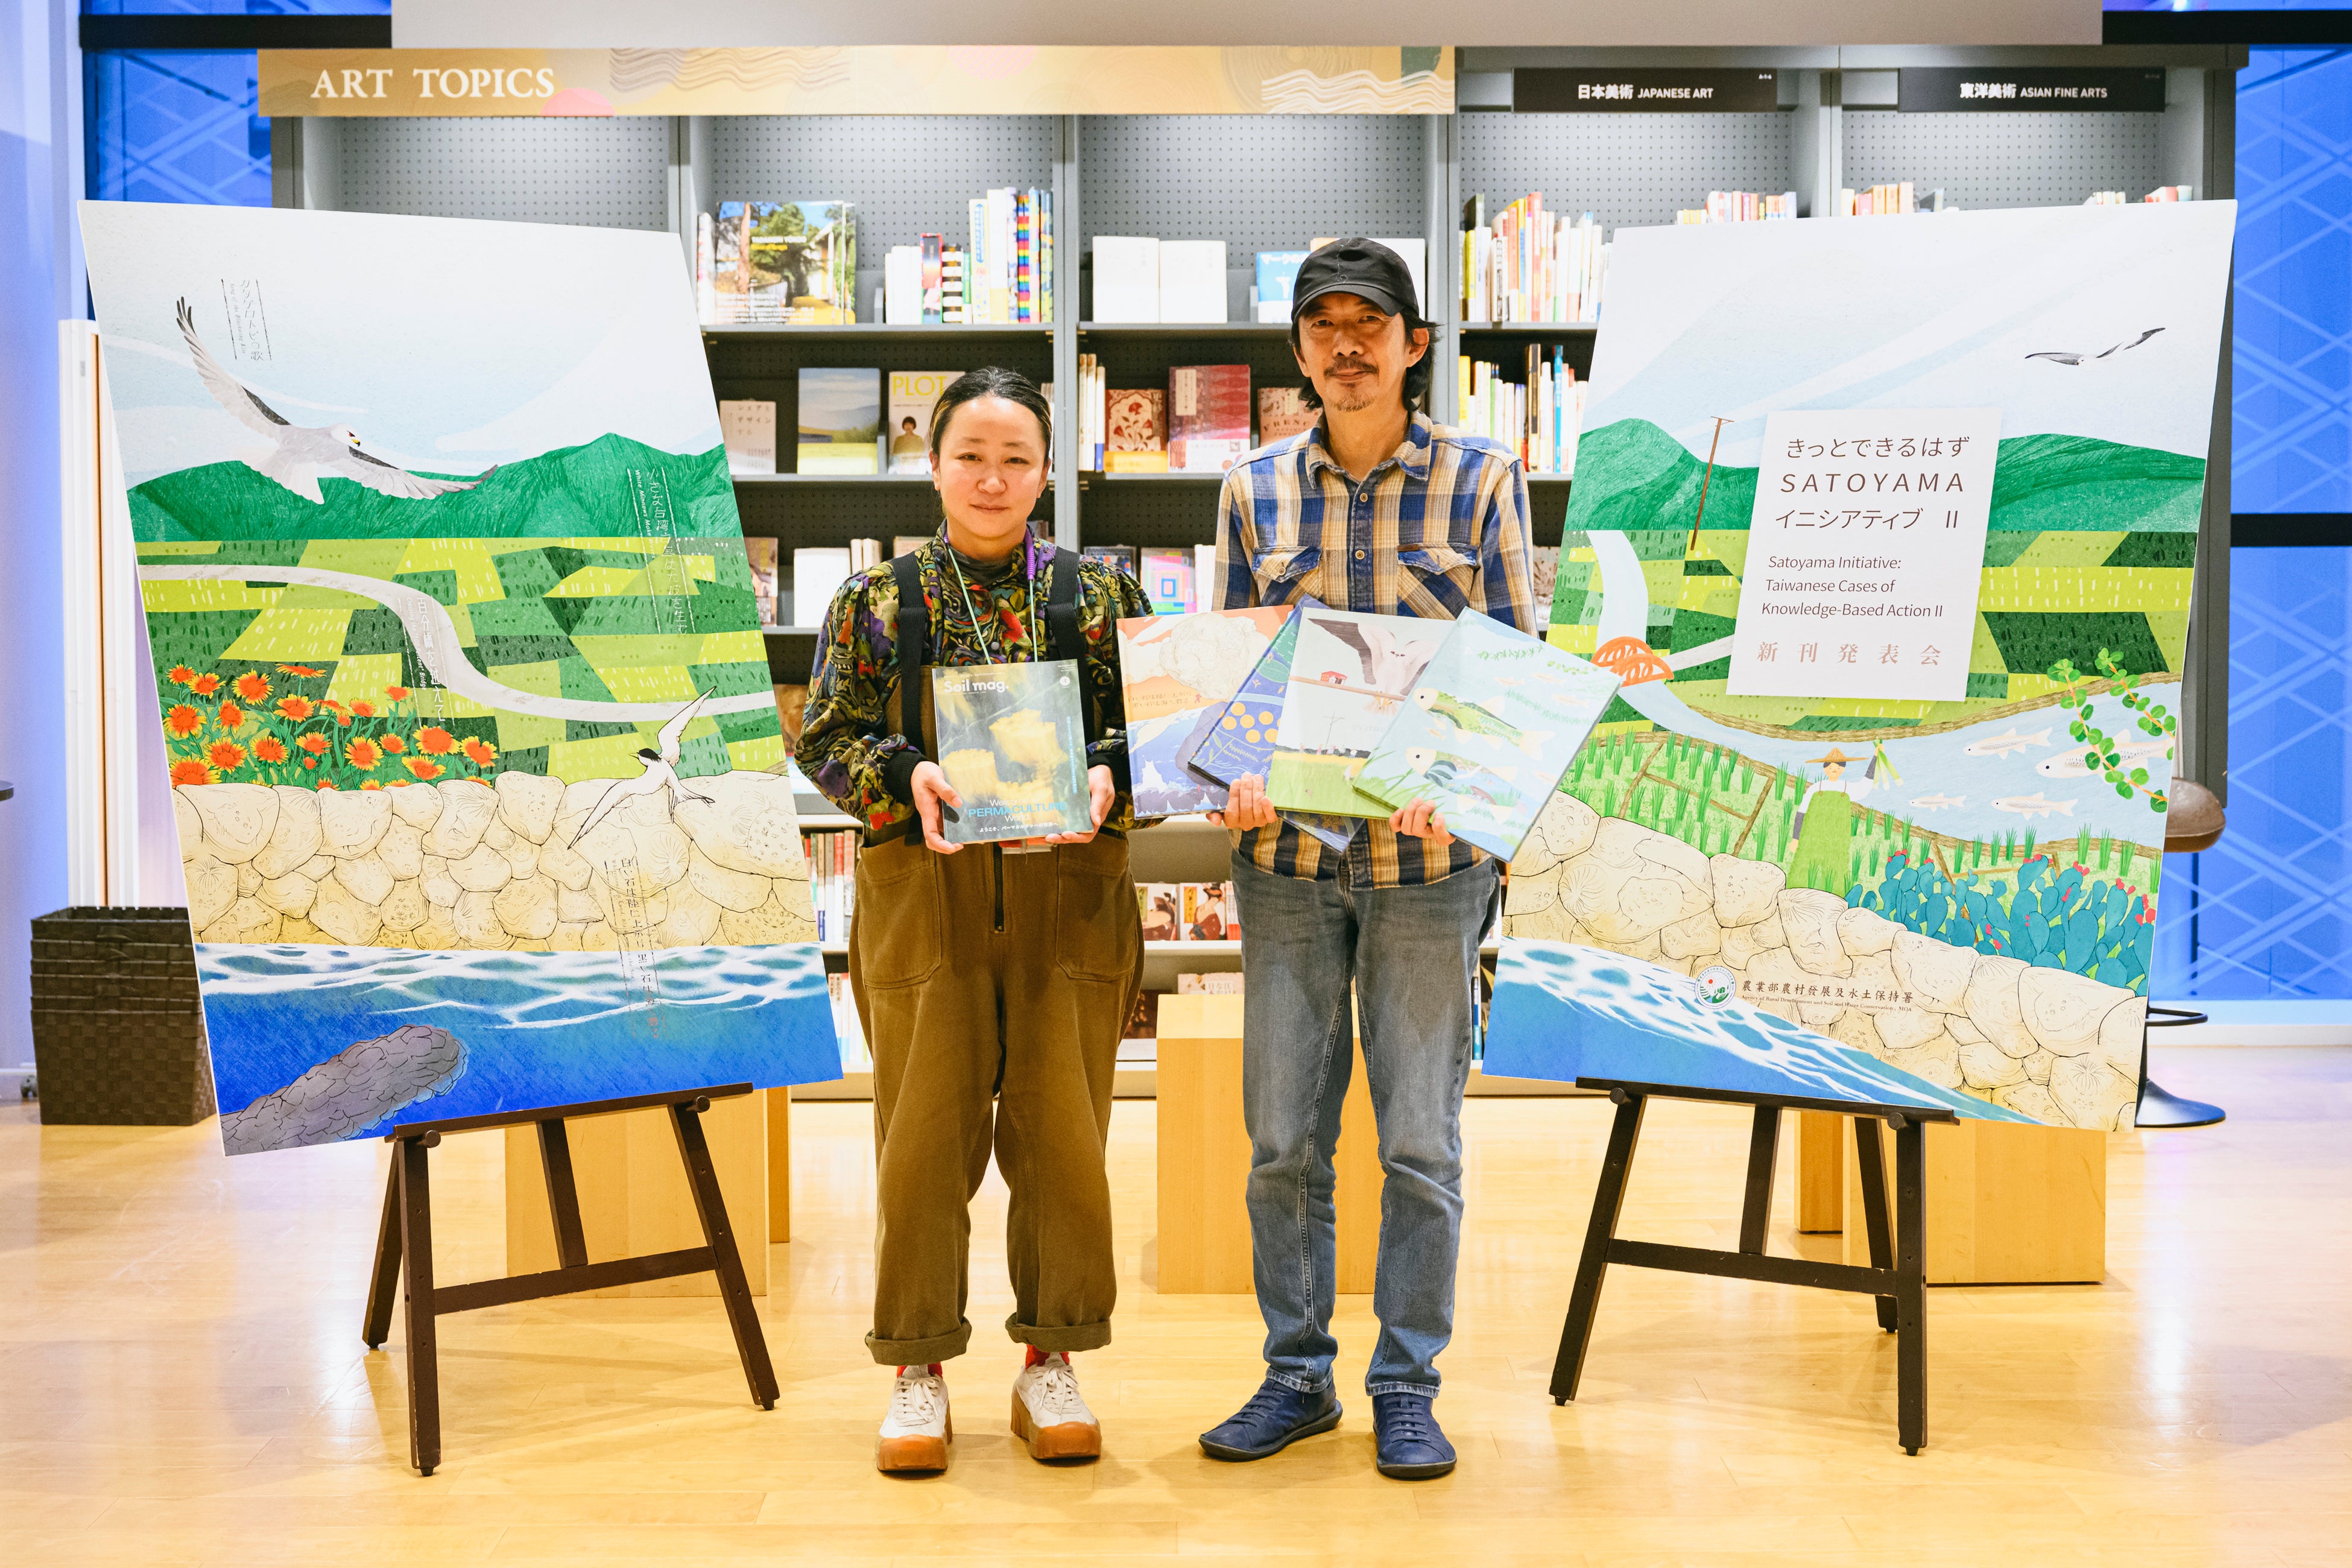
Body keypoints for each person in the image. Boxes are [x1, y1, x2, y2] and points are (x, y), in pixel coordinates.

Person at [1195, 239, 1537, 1480]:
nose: (1346, 346)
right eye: (1323, 326)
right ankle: (1297, 1374)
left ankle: (1406, 1383)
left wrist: (1469, 794)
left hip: (1428, 868)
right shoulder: (1250, 490)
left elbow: (1512, 668)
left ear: (1413, 344)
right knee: (1282, 1139)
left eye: (1370, 324)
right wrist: (1230, 764)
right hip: (1286, 857)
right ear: (1299, 350)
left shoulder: (1484, 481)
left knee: (1419, 1145)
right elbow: (1234, 661)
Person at [795, 367, 1151, 1475]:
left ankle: (1053, 1358)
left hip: (1071, 900)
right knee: (919, 1142)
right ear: (934, 463)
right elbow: (825, 734)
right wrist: (903, 775)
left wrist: (1109, 776)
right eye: (971, 457)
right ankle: (917, 1370)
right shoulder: (873, 601)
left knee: (1065, 1143)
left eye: (1016, 459)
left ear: (1047, 473)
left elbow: (1165, 729)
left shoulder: (1104, 596)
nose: (992, 479)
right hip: (924, 899)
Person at [1786, 744, 1885, 895]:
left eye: (1838, 767)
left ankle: (1836, 897)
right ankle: (1795, 894)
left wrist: (1876, 758)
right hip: (1812, 836)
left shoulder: (1847, 788)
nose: (1834, 769)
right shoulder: (1816, 788)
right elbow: (1802, 812)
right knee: (1804, 864)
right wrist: (1796, 838)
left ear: (1843, 769)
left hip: (1837, 838)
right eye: (1831, 766)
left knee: (1836, 868)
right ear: (1825, 768)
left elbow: (1865, 786)